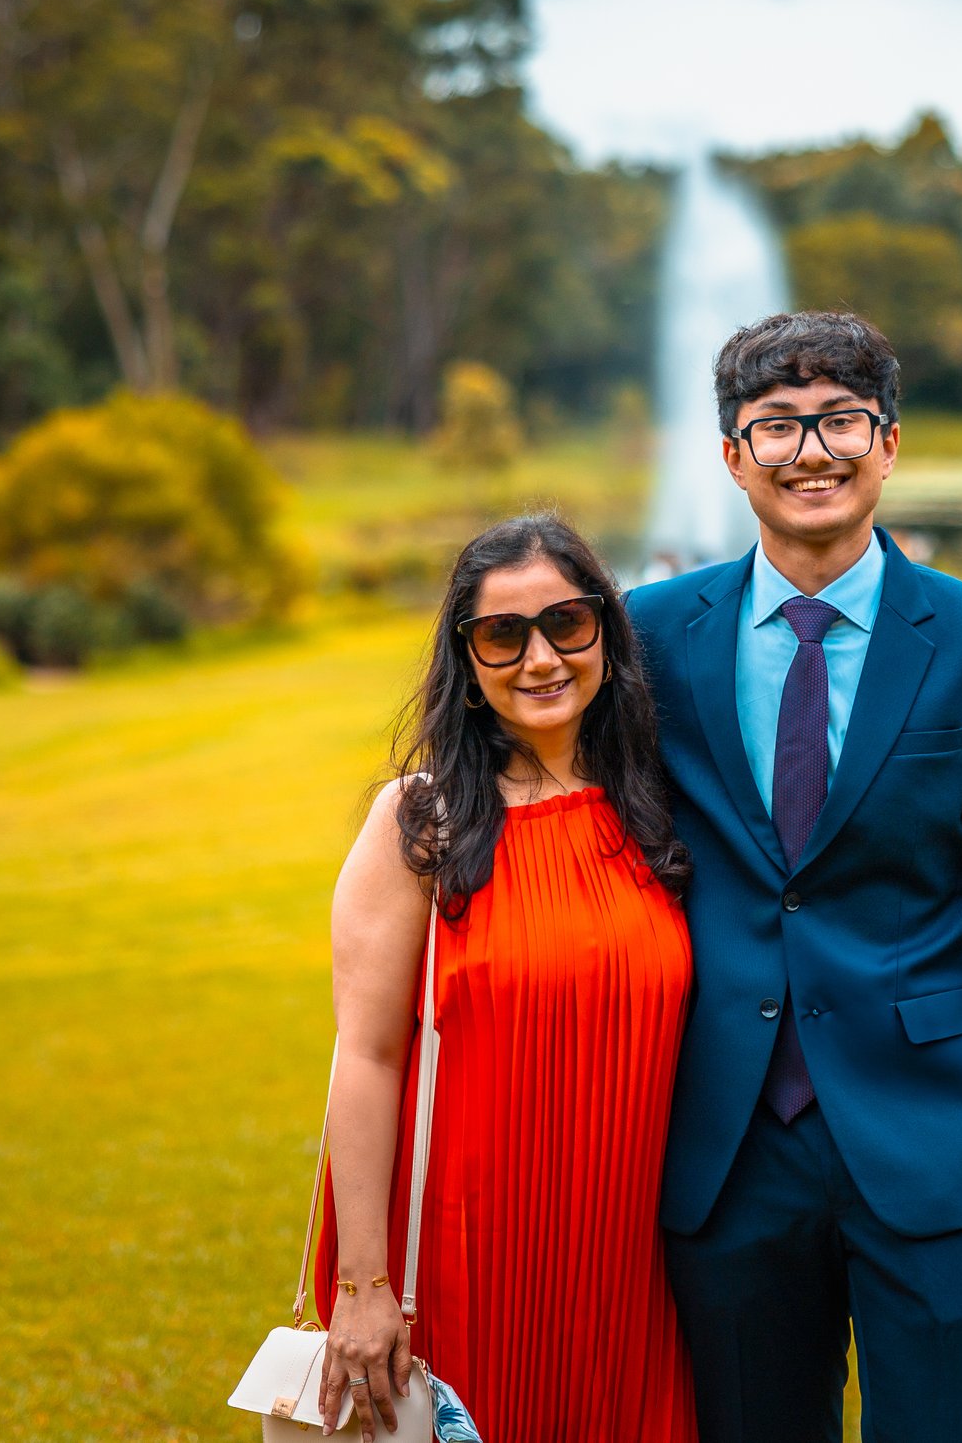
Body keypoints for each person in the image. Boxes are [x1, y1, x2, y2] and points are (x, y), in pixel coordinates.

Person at [628, 311, 962, 1443]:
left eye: (839, 419)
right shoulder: (648, 635)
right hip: (720, 1146)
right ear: (731, 456)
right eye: (774, 426)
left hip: (931, 1139)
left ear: (888, 443)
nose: (810, 451)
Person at [315, 514, 698, 1443]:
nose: (541, 658)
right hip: (463, 1254)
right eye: (503, 634)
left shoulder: (663, 803)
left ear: (606, 629)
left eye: (568, 623)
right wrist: (362, 1287)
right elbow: (365, 1056)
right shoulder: (422, 821)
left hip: (628, 1263)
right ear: (466, 658)